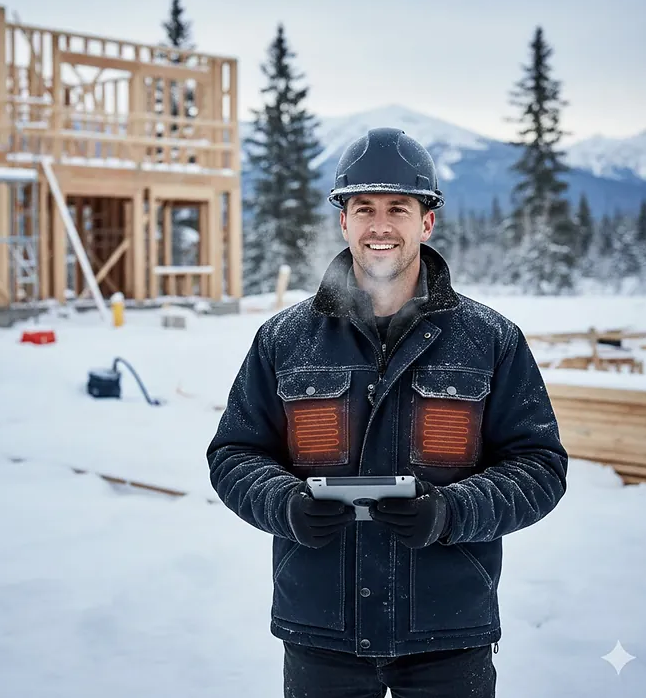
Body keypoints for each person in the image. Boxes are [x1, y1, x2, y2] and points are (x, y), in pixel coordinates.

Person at [207, 127, 568, 698]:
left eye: (398, 207)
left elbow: (540, 467)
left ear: (426, 222)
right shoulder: (283, 339)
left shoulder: (490, 341)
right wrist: (287, 506)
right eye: (364, 207)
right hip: (322, 631)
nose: (380, 225)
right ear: (343, 220)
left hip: (446, 633)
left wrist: (451, 512)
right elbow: (235, 454)